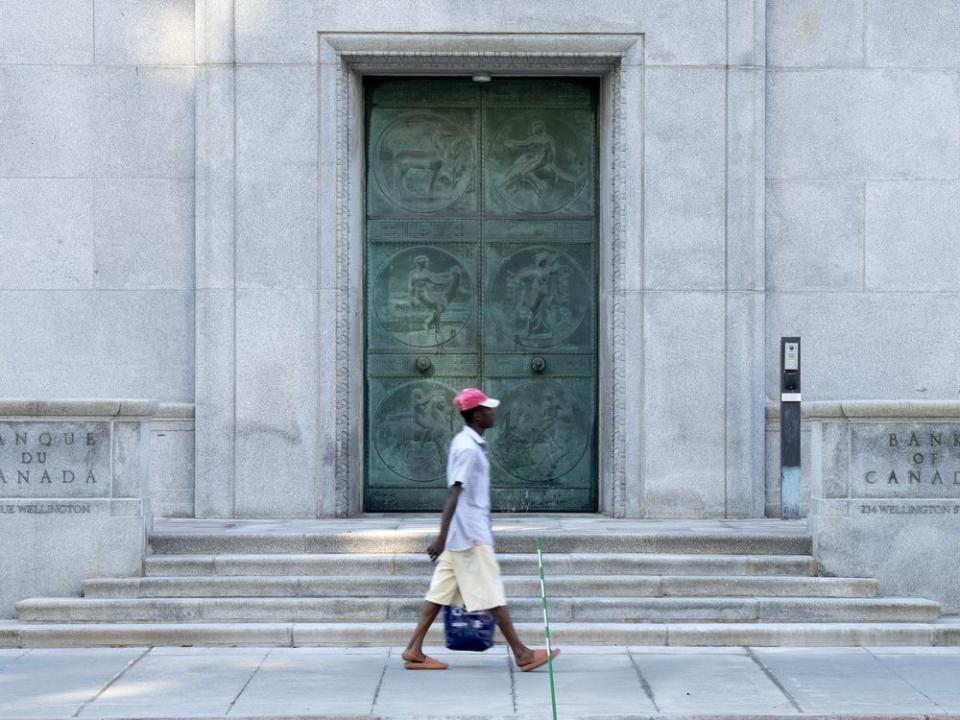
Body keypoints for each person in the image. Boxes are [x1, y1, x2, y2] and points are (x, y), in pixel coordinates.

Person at [401, 387, 560, 672]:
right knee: (492, 594)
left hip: (460, 536)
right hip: (470, 536)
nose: (492, 412)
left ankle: (414, 649)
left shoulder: (468, 443)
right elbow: (455, 492)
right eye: (487, 409)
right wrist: (440, 537)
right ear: (477, 415)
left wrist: (446, 537)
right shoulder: (467, 448)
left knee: (439, 593)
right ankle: (522, 654)